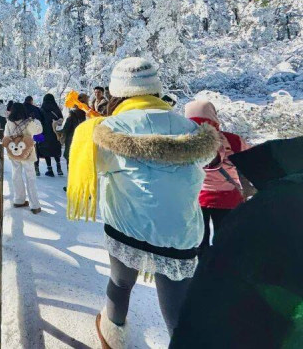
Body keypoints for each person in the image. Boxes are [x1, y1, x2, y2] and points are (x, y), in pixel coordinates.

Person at [66, 57, 219, 345]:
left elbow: (97, 166)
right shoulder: (191, 129)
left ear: (117, 92)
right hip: (179, 232)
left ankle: (113, 335)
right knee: (177, 308)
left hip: (126, 226)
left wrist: (92, 126)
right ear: (156, 90)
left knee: (120, 282)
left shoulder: (108, 129)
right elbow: (208, 158)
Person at [170, 136, 303, 349]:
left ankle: (198, 263)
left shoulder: (270, 206)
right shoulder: (232, 140)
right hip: (226, 199)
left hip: (202, 199)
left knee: (209, 247)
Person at [184, 100, 249, 252]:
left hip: (196, 199)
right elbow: (252, 160)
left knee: (199, 242)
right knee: (226, 243)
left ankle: (202, 265)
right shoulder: (232, 140)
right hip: (229, 198)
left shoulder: (183, 142)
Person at [5, 102, 43, 214]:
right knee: (30, 177)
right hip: (27, 152)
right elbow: (39, 131)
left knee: (16, 175)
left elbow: (6, 136)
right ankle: (34, 205)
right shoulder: (29, 122)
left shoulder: (9, 123)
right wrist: (36, 121)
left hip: (14, 152)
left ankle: (18, 200)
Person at [39, 93, 64, 177]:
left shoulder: (42, 109)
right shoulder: (56, 109)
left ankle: (50, 170)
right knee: (56, 150)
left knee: (46, 151)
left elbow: (39, 122)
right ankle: (59, 168)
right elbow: (61, 120)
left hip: (45, 133)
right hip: (56, 133)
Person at [60, 94, 89, 165]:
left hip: (73, 139)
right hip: (85, 139)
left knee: (71, 159)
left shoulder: (72, 113)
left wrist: (61, 132)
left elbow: (66, 127)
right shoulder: (89, 112)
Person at [23, 96, 45, 175]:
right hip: (35, 131)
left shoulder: (21, 108)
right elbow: (41, 119)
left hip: (25, 132)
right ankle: (36, 167)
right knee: (35, 149)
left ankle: (27, 167)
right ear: (31, 101)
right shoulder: (36, 109)